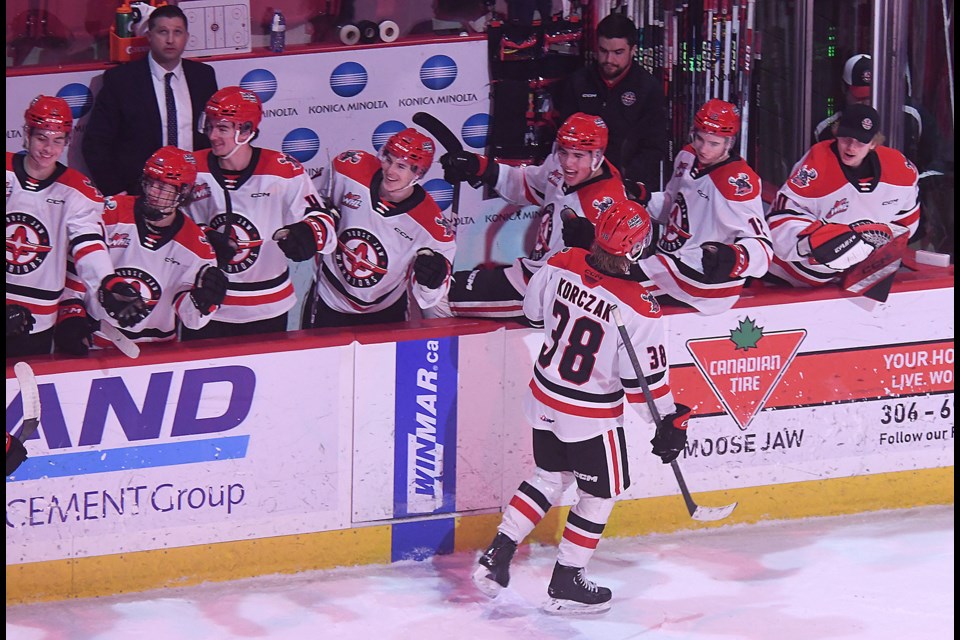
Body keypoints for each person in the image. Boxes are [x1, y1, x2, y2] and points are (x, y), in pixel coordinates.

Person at [472, 199, 691, 615]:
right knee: (600, 493)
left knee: (548, 476)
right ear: (634, 247)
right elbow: (643, 383)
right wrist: (666, 423)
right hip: (589, 416)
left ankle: (498, 554)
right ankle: (567, 579)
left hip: (543, 396)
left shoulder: (560, 260)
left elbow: (534, 313)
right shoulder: (640, 306)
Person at [439, 112, 633, 323]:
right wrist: (481, 168)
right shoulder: (561, 168)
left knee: (441, 296)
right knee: (442, 284)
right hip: (529, 274)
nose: (568, 163)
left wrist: (592, 249)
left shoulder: (608, 202)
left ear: (597, 156)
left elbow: (620, 271)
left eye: (578, 156)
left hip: (544, 296)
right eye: (564, 152)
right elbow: (526, 184)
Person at [181, 86, 337, 339]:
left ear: (246, 130)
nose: (212, 135)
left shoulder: (283, 170)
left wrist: (308, 233)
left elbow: (325, 226)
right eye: (209, 126)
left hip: (267, 307)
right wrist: (203, 236)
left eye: (222, 128)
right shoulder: (192, 168)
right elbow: (169, 225)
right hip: (206, 305)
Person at [6, 95, 146, 359]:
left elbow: (88, 242)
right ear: (27, 133)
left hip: (37, 318)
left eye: (58, 140)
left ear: (67, 141)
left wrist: (108, 282)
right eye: (42, 138)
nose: (48, 149)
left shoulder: (78, 191)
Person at [303, 127, 456, 328]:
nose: (390, 171)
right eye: (389, 160)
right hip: (328, 299)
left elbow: (431, 297)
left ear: (418, 173)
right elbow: (310, 200)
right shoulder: (348, 169)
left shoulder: (432, 228)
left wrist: (432, 280)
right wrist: (315, 218)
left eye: (402, 166)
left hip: (385, 311)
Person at [634, 99, 773, 315]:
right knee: (617, 279)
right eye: (699, 138)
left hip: (705, 280)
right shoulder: (687, 156)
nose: (703, 149)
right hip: (670, 261)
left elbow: (763, 248)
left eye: (714, 143)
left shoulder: (737, 182)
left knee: (624, 289)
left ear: (729, 143)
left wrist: (735, 257)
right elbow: (673, 208)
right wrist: (644, 199)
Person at [766, 103, 920, 288]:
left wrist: (876, 254)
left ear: (873, 143)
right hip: (792, 280)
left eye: (861, 141)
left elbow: (904, 226)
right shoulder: (815, 166)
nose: (851, 147)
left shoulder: (899, 170)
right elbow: (778, 224)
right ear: (837, 133)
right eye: (846, 138)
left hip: (858, 281)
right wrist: (814, 243)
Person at [84, 147, 226, 345]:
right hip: (98, 339)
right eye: (150, 182)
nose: (151, 191)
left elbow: (192, 321)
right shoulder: (109, 212)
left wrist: (205, 303)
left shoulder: (197, 247)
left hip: (157, 351)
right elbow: (76, 263)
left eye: (162, 187)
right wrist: (70, 313)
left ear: (183, 191)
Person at [813, 53, 951, 253]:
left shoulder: (913, 116)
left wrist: (914, 183)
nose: (866, 103)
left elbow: (941, 160)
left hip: (904, 229)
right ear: (844, 90)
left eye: (871, 96)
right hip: (843, 233)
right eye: (859, 97)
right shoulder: (825, 130)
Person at [82, 4, 218, 197]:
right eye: (163, 32)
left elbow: (215, 134)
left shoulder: (203, 77)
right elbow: (95, 144)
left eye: (177, 32)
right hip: (140, 192)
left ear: (186, 37)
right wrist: (118, 192)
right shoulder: (121, 80)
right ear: (149, 36)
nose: (170, 40)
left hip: (195, 190)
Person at [552, 12, 668, 190]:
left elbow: (653, 148)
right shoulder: (578, 82)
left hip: (627, 186)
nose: (609, 60)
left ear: (633, 50)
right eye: (603, 51)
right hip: (581, 183)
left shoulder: (648, 88)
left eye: (618, 52)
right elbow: (564, 138)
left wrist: (623, 182)